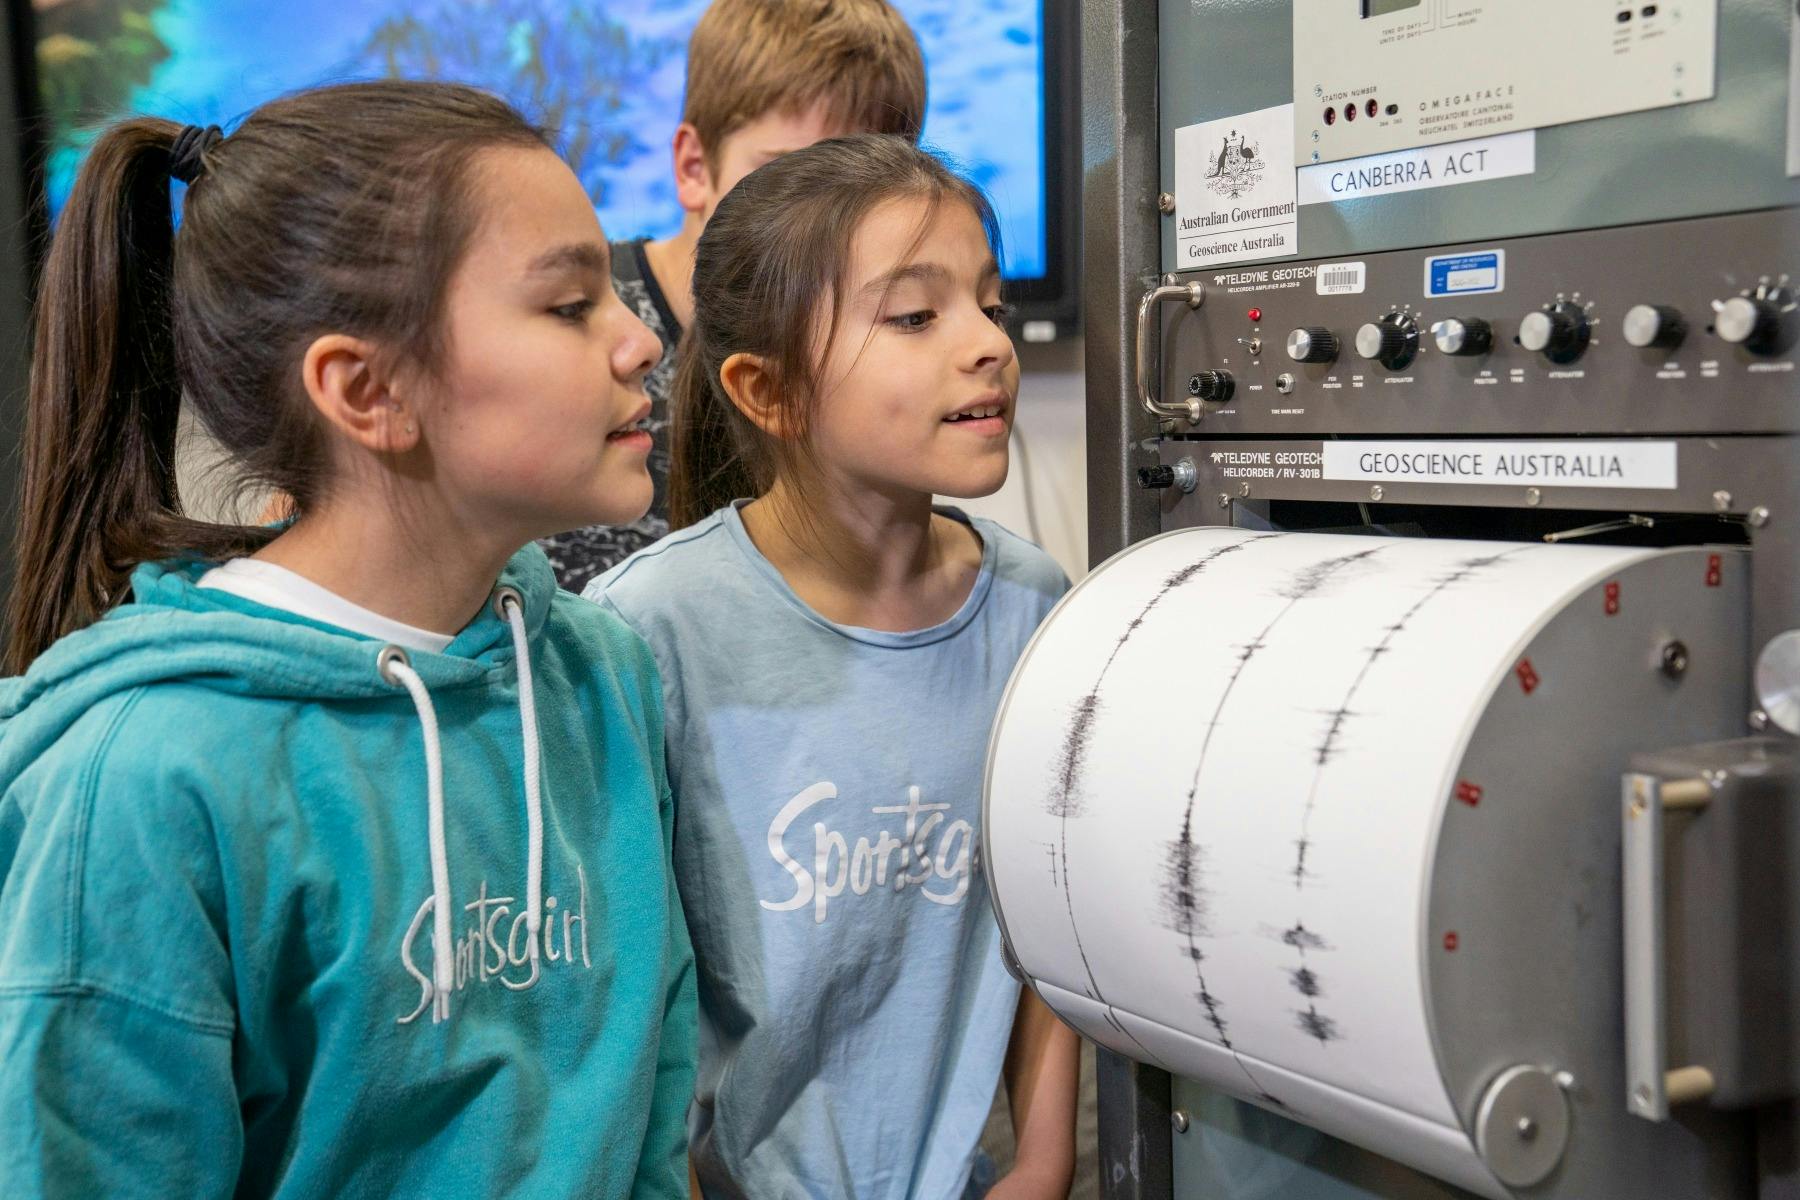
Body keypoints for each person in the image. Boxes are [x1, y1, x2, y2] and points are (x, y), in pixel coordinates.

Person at [0, 80, 693, 1198]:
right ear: (366, 390)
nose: (636, 340)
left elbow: (649, 1107)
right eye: (570, 306)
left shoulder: (598, 675)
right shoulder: (144, 781)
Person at [587, 134, 1079, 1200]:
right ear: (770, 392)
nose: (987, 343)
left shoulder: (1042, 608)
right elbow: (623, 999)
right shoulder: (645, 629)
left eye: (988, 304)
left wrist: (1043, 1161)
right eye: (915, 316)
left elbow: (1051, 923)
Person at [537, 0, 927, 592]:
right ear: (694, 167)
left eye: (871, 191)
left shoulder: (886, 355)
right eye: (789, 177)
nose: (832, 230)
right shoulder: (589, 327)